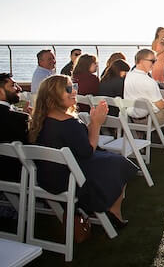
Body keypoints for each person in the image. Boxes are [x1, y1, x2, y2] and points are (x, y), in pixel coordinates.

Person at [29, 75, 138, 228]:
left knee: (112, 160)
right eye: (68, 89)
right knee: (119, 163)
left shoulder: (41, 120)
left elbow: (76, 143)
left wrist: (91, 124)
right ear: (53, 95)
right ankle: (114, 211)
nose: (74, 91)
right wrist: (96, 123)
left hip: (48, 177)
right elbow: (87, 151)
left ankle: (109, 207)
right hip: (70, 179)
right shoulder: (68, 122)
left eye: (74, 87)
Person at [0, 73, 29, 182]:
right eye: (13, 85)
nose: (19, 88)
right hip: (16, 176)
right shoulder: (18, 119)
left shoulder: (17, 117)